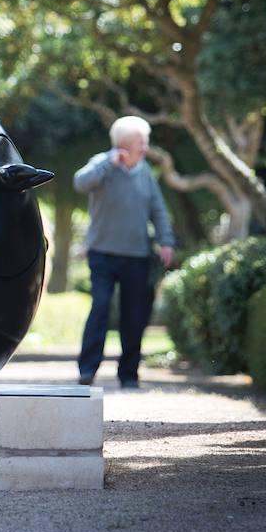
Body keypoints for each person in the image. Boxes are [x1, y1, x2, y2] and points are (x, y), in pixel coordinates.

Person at [73, 116, 175, 389]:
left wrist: (166, 241)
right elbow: (80, 182)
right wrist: (110, 163)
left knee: (134, 315)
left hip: (137, 255)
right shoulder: (102, 163)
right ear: (125, 145)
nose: (145, 147)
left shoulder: (145, 173)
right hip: (102, 253)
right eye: (142, 142)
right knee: (102, 306)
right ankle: (87, 369)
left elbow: (159, 210)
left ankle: (128, 374)